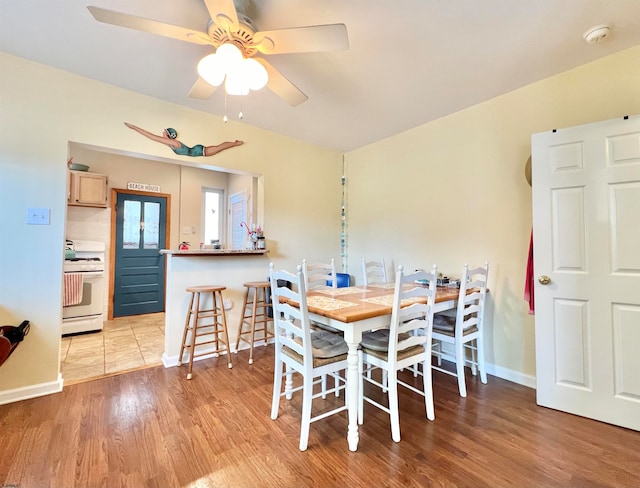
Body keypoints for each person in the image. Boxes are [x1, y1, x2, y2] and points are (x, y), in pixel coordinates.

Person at [124, 122, 244, 157]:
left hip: (198, 151)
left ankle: (235, 143)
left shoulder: (173, 143)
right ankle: (234, 143)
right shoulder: (171, 144)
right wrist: (134, 128)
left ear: (168, 135)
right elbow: (153, 137)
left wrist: (134, 127)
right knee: (218, 148)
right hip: (196, 151)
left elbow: (152, 137)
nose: (162, 133)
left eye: (164, 132)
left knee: (219, 148)